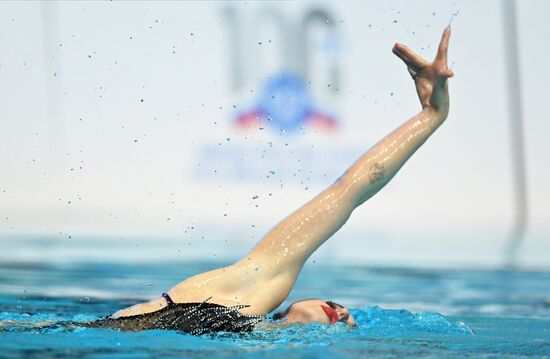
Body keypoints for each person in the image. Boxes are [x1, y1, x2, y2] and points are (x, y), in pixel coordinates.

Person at [86, 26, 454, 334]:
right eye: (338, 307)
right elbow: (350, 190)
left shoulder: (260, 335)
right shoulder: (254, 288)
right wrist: (431, 116)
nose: (341, 314)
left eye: (346, 324)